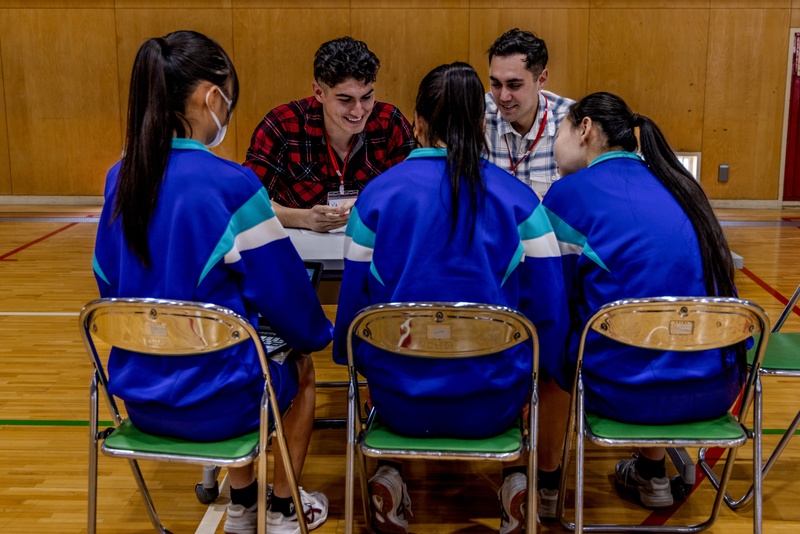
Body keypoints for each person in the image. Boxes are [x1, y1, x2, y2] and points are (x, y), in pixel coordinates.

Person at [92, 31, 332, 534]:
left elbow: (108, 283)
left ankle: (243, 503)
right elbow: (285, 293)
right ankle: (285, 508)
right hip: (220, 403)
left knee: (240, 349)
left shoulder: (120, 177)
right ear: (211, 97)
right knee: (295, 364)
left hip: (140, 399)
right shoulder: (234, 184)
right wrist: (316, 335)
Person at [332, 62, 568, 534]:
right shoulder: (522, 202)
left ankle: (390, 474)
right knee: (532, 358)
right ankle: (516, 481)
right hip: (492, 403)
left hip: (399, 403)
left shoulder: (375, 197)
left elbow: (352, 307)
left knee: (385, 352)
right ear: (480, 124)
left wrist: (347, 356)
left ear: (417, 122)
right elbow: (550, 313)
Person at [541, 91, 744, 510]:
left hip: (623, 393)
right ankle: (652, 475)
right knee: (655, 318)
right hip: (717, 390)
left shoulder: (568, 194)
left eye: (558, 130)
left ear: (585, 129)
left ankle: (545, 486)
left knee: (553, 338)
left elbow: (552, 304)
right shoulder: (681, 185)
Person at [244, 36, 415, 232]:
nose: (358, 111)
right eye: (345, 100)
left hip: (370, 247)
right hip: (300, 251)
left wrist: (368, 206)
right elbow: (248, 203)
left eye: (367, 97)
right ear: (319, 93)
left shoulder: (390, 123)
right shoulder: (282, 125)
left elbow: (411, 197)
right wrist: (304, 218)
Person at [485, 28, 574, 197]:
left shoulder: (571, 122)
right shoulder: (475, 116)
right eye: (496, 84)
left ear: (541, 79)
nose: (503, 96)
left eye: (514, 85)